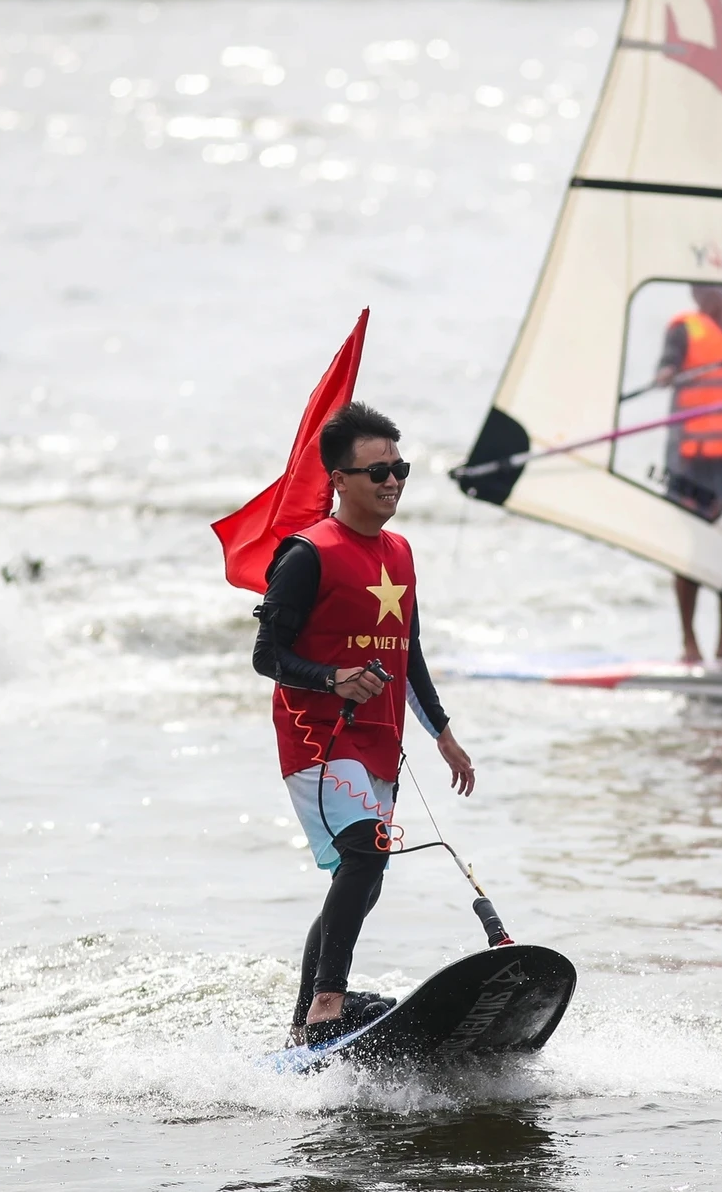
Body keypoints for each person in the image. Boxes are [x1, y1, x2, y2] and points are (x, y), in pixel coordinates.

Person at [251, 401, 476, 1047]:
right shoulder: (306, 555)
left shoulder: (401, 552)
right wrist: (333, 678)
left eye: (400, 468)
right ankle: (328, 1002)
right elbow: (267, 655)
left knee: (364, 874)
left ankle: (303, 1025)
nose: (392, 481)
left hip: (381, 737)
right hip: (318, 735)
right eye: (377, 471)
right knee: (365, 855)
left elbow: (409, 652)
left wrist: (443, 734)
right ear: (339, 479)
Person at [650, 283, 722, 663]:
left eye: (713, 289)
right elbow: (668, 364)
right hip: (692, 461)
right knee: (691, 552)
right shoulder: (684, 329)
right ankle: (689, 643)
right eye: (699, 289)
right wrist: (666, 374)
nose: (706, 295)